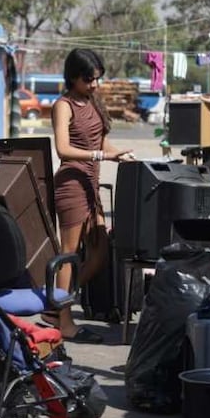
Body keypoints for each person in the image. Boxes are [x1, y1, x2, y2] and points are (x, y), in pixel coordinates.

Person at [50, 49, 134, 342]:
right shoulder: (64, 105)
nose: (94, 84)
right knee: (69, 255)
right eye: (88, 79)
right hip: (72, 182)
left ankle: (59, 301)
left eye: (97, 78)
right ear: (72, 77)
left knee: (99, 253)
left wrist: (119, 154)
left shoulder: (91, 101)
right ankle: (63, 319)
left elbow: (101, 139)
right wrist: (101, 155)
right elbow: (62, 148)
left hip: (91, 182)